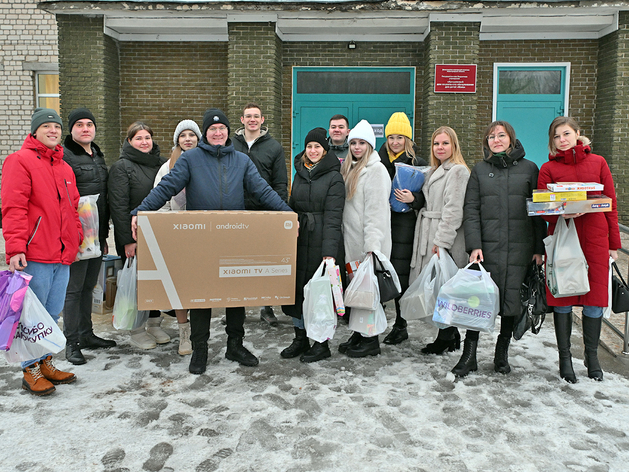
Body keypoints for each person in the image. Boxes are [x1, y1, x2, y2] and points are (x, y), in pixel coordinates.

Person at [130, 108, 293, 375]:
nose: (217, 133)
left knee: (236, 294)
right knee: (201, 294)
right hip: (201, 238)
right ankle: (201, 348)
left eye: (222, 129)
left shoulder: (241, 160)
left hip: (233, 237)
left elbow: (262, 190)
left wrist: (288, 215)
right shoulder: (191, 159)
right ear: (205, 134)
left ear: (228, 132)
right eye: (212, 129)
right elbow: (167, 187)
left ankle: (235, 344)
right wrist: (140, 211)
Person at [455, 120, 546, 378]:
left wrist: (539, 247)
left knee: (511, 302)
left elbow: (537, 213)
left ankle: (501, 353)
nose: (496, 140)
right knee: (479, 301)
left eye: (501, 135)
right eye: (491, 137)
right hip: (488, 251)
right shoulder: (480, 171)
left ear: (511, 139)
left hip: (521, 247)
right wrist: (474, 246)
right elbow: (470, 211)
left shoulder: (530, 169)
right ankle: (469, 355)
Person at [2, 108, 81, 395]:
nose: (53, 131)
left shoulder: (64, 167)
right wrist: (14, 248)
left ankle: (45, 361)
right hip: (35, 253)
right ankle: (29, 370)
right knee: (31, 317)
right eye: (46, 126)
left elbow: (72, 209)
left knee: (51, 314)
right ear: (34, 131)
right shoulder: (19, 161)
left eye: (57, 127)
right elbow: (13, 208)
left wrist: (77, 239)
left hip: (62, 254)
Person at [538, 116, 620, 383]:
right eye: (557, 136)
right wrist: (561, 211)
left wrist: (614, 245)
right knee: (563, 298)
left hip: (595, 240)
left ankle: (592, 356)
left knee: (594, 301)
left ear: (577, 134)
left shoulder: (598, 162)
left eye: (566, 134)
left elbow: (611, 204)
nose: (562, 140)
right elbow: (543, 211)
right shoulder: (548, 168)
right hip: (563, 239)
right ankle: (565, 358)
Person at [280, 128, 345, 362]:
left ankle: (321, 343)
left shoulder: (334, 177)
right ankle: (300, 338)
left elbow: (334, 217)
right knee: (297, 292)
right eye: (309, 146)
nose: (313, 150)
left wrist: (329, 253)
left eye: (317, 146)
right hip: (299, 239)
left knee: (319, 294)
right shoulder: (299, 172)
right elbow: (292, 204)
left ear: (325, 149)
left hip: (321, 242)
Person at [409, 126, 470, 354]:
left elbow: (453, 210)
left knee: (444, 287)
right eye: (436, 144)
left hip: (445, 238)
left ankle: (446, 337)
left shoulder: (458, 172)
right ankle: (449, 334)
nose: (440, 147)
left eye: (445, 143)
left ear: (454, 145)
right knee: (437, 287)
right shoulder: (434, 170)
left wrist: (442, 242)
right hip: (429, 230)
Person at [62, 108, 116, 365]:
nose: (86, 129)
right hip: (76, 234)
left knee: (88, 286)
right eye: (80, 125)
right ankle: (71, 342)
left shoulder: (96, 154)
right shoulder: (66, 156)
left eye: (90, 125)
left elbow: (102, 199)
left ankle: (86, 333)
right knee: (73, 289)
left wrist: (103, 234)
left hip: (96, 233)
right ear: (71, 130)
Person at [108, 122, 167, 350]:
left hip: (158, 234)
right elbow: (119, 206)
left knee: (155, 280)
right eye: (138, 138)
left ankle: (154, 323)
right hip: (133, 235)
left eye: (147, 137)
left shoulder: (162, 164)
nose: (144, 142)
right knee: (136, 283)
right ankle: (136, 329)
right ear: (129, 141)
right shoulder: (122, 167)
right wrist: (128, 241)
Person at [337, 119, 392, 358]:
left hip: (368, 245)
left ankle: (371, 340)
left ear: (370, 145)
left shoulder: (376, 171)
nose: (357, 147)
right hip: (352, 243)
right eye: (354, 143)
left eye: (362, 143)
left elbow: (376, 213)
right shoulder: (351, 168)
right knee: (358, 292)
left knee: (369, 292)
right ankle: (359, 334)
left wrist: (373, 247)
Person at [233, 103, 288, 327]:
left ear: (263, 120)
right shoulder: (230, 144)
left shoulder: (273, 147)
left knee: (265, 261)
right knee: (236, 260)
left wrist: (279, 211)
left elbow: (280, 182)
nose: (252, 120)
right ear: (242, 119)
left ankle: (267, 307)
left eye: (256, 116)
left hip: (264, 211)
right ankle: (236, 305)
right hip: (236, 210)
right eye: (248, 116)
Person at [377, 112, 429, 345]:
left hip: (404, 227)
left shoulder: (417, 163)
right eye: (391, 137)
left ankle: (400, 324)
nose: (395, 142)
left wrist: (414, 199)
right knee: (378, 274)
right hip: (381, 222)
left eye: (400, 137)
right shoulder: (377, 160)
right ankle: (373, 322)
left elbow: (426, 198)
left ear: (407, 140)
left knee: (399, 275)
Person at [153, 119, 202, 355]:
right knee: (180, 285)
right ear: (177, 140)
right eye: (183, 135)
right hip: (177, 234)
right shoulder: (166, 168)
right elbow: (159, 200)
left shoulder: (207, 163)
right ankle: (184, 333)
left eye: (192, 134)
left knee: (199, 284)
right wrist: (169, 226)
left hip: (202, 234)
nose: (188, 139)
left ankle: (200, 333)